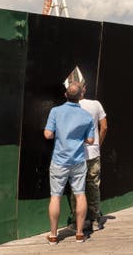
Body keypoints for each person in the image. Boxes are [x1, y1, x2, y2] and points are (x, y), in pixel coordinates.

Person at [44, 82, 95, 245]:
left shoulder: (55, 111)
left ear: (66, 94)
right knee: (80, 194)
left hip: (59, 160)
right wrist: (81, 138)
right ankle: (79, 234)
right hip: (78, 161)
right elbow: (91, 140)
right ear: (81, 96)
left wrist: (57, 135)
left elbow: (48, 134)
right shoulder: (87, 117)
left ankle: (53, 236)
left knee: (55, 197)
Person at [69, 83, 108, 230]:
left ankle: (76, 221)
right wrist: (98, 144)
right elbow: (104, 127)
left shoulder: (68, 107)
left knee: (76, 187)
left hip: (75, 153)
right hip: (93, 152)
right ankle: (95, 220)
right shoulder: (95, 104)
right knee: (93, 186)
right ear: (84, 89)